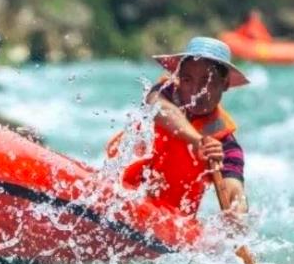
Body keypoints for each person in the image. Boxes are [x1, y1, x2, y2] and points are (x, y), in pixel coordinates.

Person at [106, 37, 250, 221]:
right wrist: (198, 140)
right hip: (120, 192)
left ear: (224, 84)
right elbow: (158, 108)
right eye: (187, 79)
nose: (195, 90)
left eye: (206, 80)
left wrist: (237, 215)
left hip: (170, 221)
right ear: (178, 78)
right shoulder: (162, 93)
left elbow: (235, 191)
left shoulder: (227, 146)